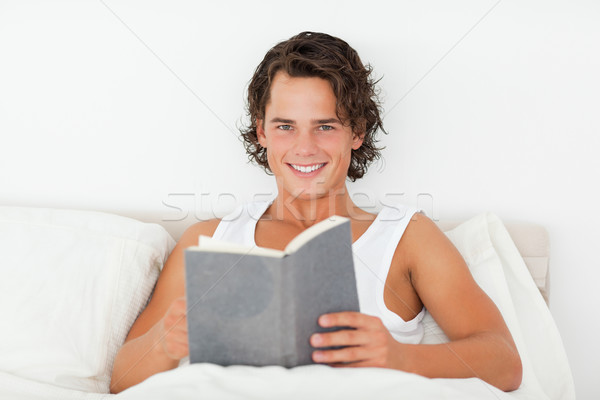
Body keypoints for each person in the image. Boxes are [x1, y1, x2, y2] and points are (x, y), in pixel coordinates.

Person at [110, 31, 522, 393]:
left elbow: (504, 362)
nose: (304, 148)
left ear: (357, 132)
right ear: (262, 132)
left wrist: (399, 357)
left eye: (325, 126)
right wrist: (165, 342)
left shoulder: (407, 238)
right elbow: (122, 380)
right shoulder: (208, 240)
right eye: (285, 126)